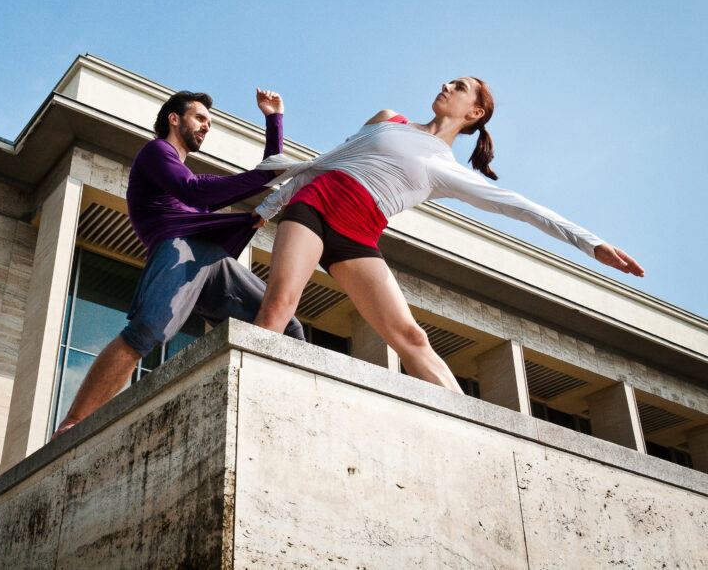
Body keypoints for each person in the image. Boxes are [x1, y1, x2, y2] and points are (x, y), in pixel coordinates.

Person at [251, 77, 643, 393]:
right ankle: (250, 386)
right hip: (315, 206)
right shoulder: (390, 118)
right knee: (280, 304)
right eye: (449, 81)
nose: (446, 86)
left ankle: (473, 429)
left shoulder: (447, 168)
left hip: (359, 235)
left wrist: (591, 243)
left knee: (413, 338)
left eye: (459, 87)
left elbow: (520, 206)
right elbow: (329, 162)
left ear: (475, 112)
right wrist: (272, 196)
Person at [52, 89, 304, 438]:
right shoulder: (157, 153)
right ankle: (74, 423)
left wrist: (274, 118)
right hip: (178, 246)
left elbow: (267, 172)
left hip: (210, 260)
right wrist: (261, 180)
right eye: (200, 118)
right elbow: (194, 190)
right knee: (147, 331)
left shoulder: (180, 175)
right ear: (174, 118)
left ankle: (268, 421)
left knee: (287, 327)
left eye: (209, 123)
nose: (206, 127)